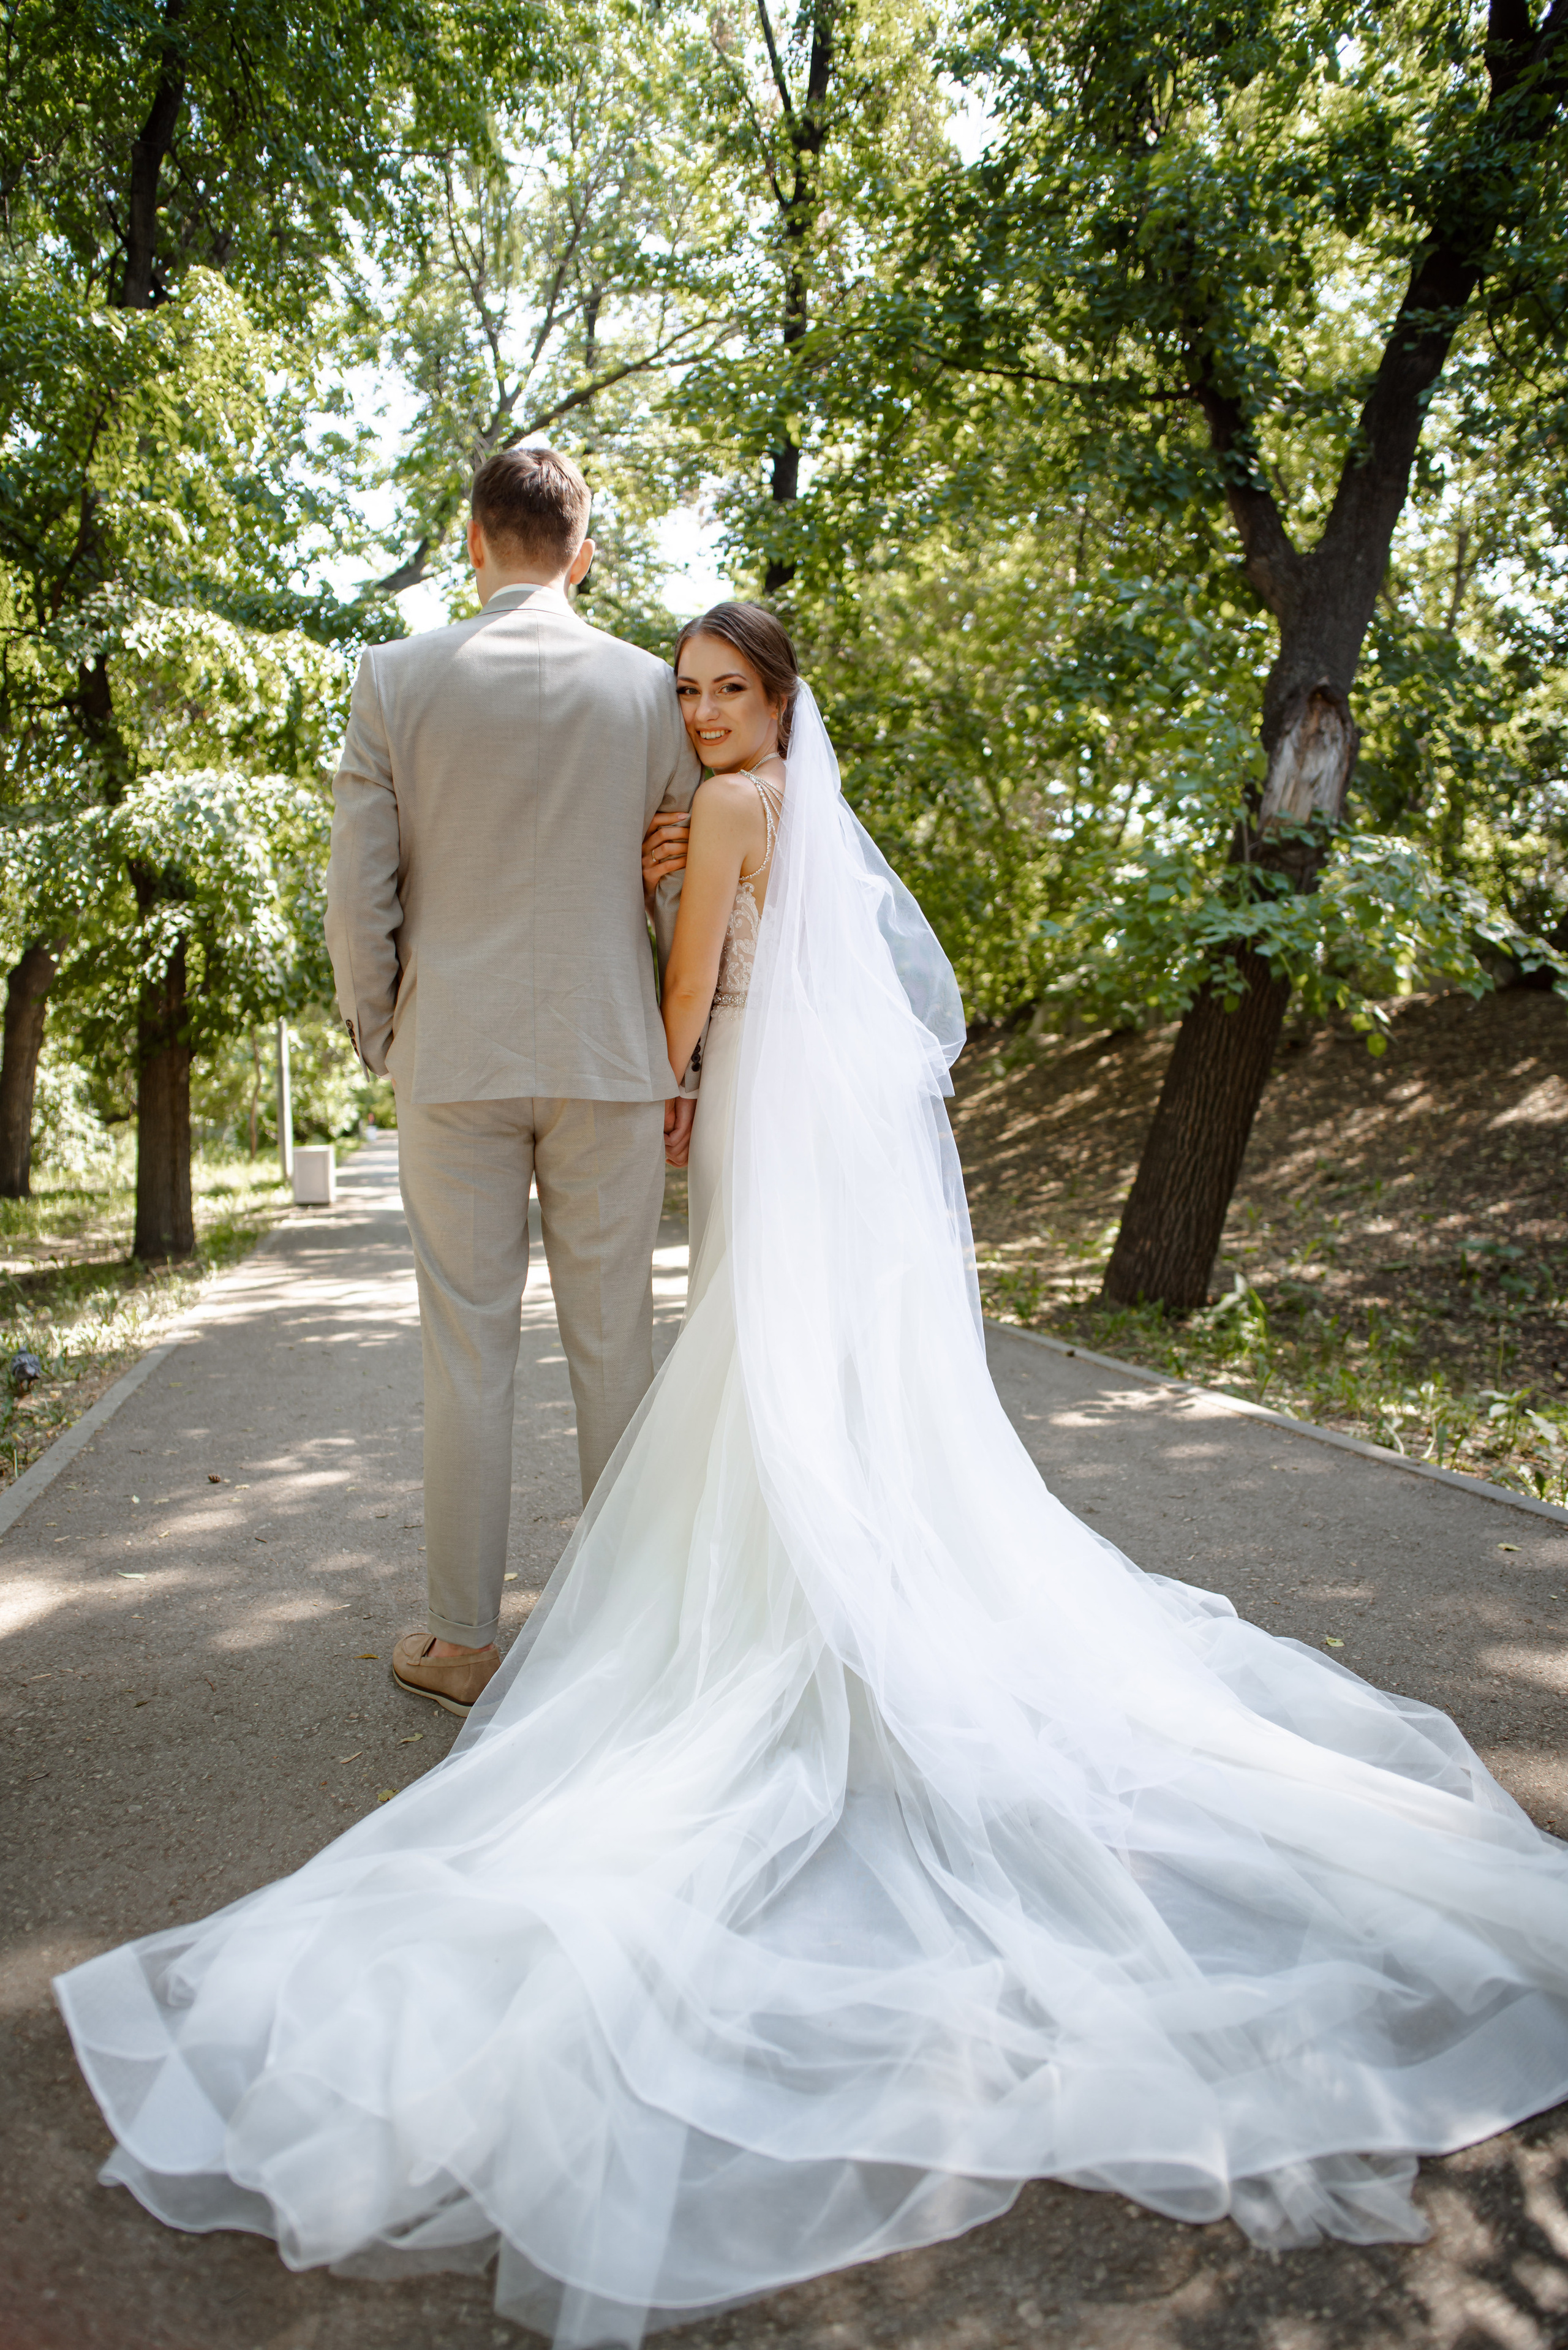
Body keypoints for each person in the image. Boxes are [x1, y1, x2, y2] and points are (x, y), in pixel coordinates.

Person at [56, 606, 1568, 2350]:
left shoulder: (734, 810)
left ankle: (732, 1614)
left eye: (724, 690)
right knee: (766, 1376)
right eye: (687, 690)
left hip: (745, 1095)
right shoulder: (777, 802)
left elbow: (692, 979)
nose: (697, 711)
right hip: (806, 1103)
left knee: (744, 1367)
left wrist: (678, 1067)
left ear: (777, 702)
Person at [320, 446, 698, 1719]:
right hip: (609, 1054)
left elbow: (357, 886)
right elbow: (676, 889)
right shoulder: (656, 693)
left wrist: (385, 1031)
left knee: (465, 1348)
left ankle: (465, 1640)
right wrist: (682, 1053)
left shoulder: (396, 678)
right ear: (582, 551)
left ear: (472, 540)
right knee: (616, 1343)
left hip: (455, 1053)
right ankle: (636, 1632)